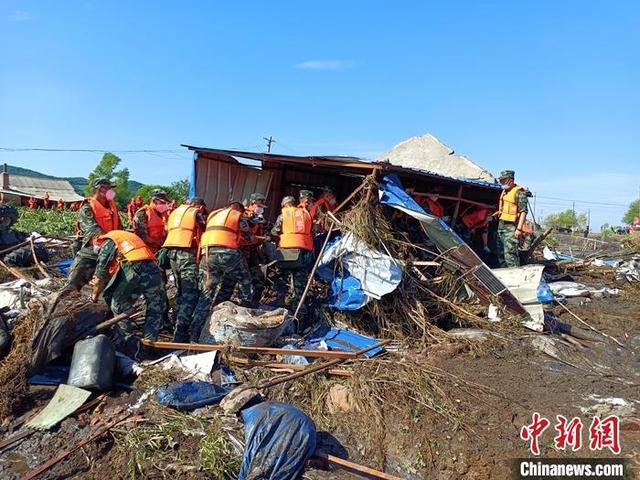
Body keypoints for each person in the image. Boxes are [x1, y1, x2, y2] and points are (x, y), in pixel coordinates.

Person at [89, 230, 167, 357]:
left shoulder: (107, 243)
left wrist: (94, 297)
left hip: (135, 269)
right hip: (153, 269)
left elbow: (100, 276)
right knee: (155, 307)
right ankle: (149, 343)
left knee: (118, 305)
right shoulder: (124, 237)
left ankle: (128, 343)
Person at [190, 201, 255, 340]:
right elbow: (250, 237)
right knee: (245, 280)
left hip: (207, 254)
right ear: (239, 209)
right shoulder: (237, 215)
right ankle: (247, 317)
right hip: (227, 253)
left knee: (206, 294)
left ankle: (194, 334)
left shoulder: (213, 214)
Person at [62, 178, 121, 293]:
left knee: (111, 286)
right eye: (108, 188)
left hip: (111, 249)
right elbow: (93, 229)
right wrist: (109, 241)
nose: (111, 192)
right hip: (92, 249)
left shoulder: (112, 207)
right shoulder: (87, 207)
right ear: (100, 189)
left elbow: (119, 227)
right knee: (73, 283)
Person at [161, 197, 207, 342]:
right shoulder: (195, 213)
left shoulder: (175, 213)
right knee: (190, 294)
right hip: (187, 254)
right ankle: (181, 333)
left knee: (180, 290)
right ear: (197, 205)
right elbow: (206, 228)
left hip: (172, 255)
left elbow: (167, 229)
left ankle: (176, 321)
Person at [271, 195, 314, 327]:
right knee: (300, 284)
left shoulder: (284, 214)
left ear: (285, 205)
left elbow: (275, 231)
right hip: (304, 252)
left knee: (280, 277)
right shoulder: (306, 214)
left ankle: (279, 302)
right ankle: (299, 312)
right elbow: (313, 230)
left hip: (286, 253)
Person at [495, 170, 528, 268]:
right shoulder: (504, 192)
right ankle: (504, 276)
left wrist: (519, 229)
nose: (501, 183)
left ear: (510, 180)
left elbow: (523, 212)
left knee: (510, 255)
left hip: (512, 227)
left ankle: (515, 274)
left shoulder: (519, 192)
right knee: (500, 253)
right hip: (501, 226)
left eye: (503, 181)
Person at [241, 193, 269, 305]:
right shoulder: (244, 215)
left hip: (251, 251)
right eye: (259, 206)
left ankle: (252, 304)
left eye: (262, 207)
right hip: (241, 251)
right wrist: (263, 238)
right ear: (252, 203)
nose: (261, 209)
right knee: (239, 279)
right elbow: (246, 236)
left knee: (259, 279)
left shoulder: (257, 218)